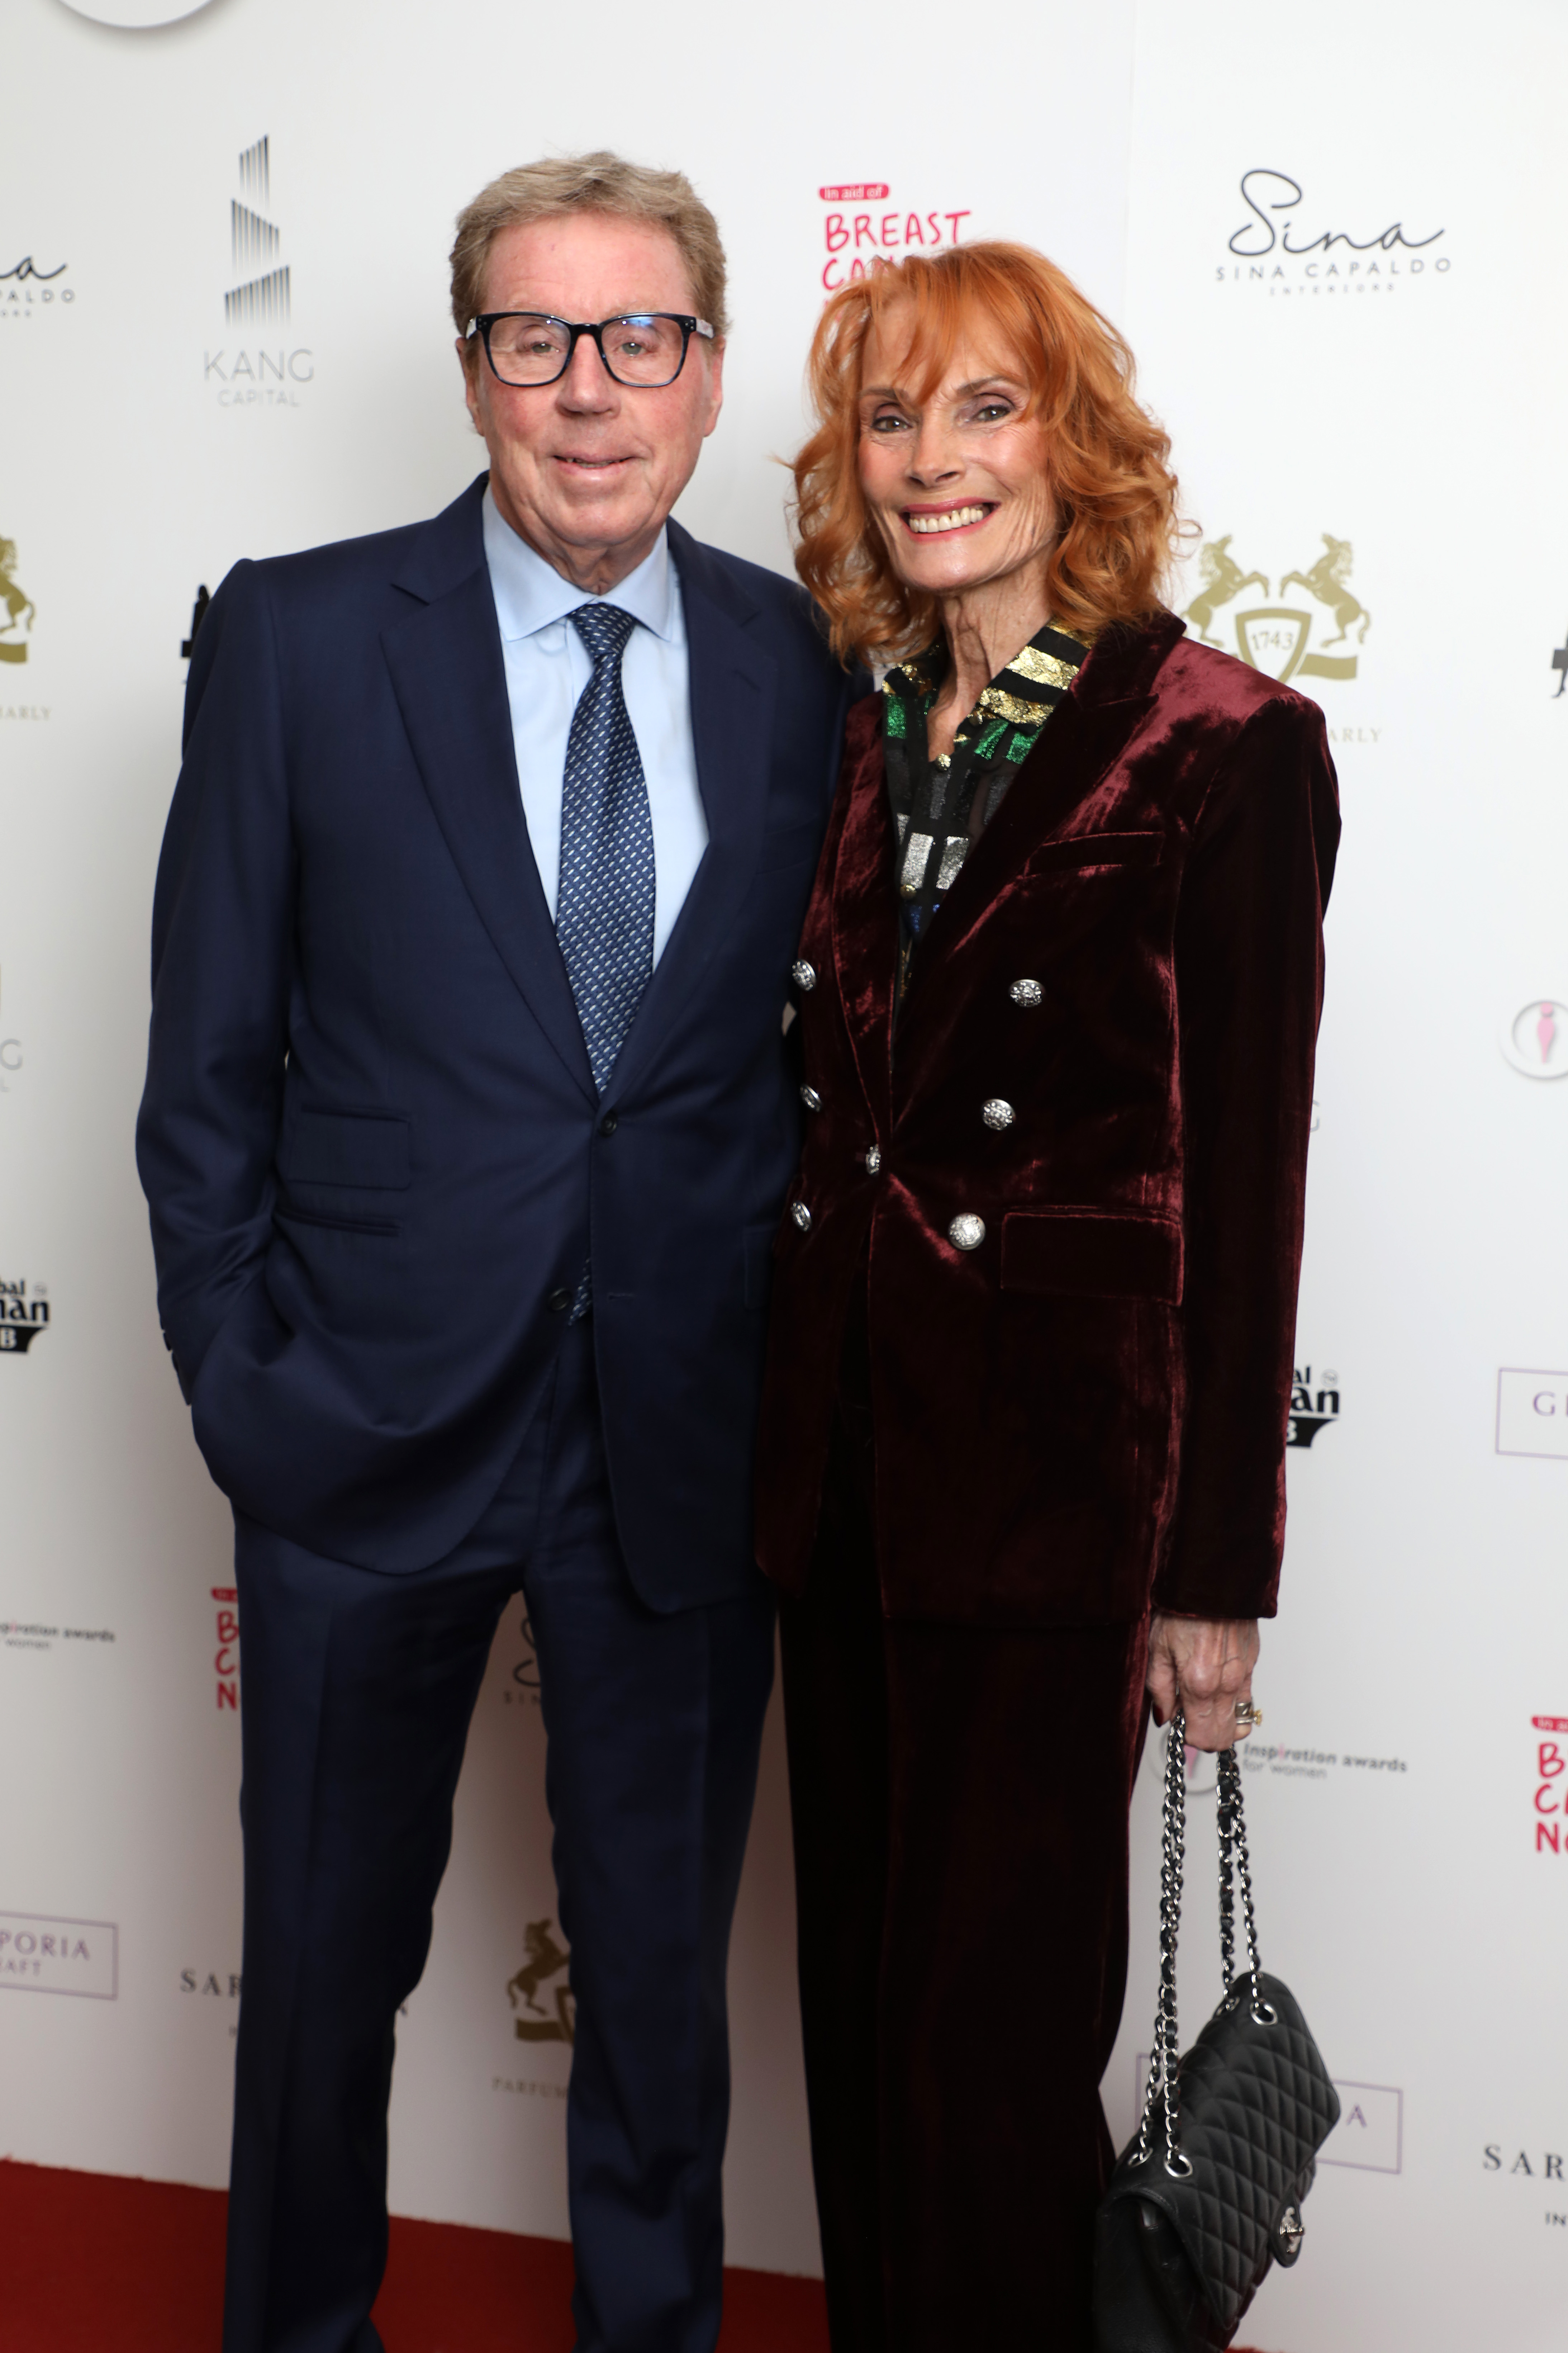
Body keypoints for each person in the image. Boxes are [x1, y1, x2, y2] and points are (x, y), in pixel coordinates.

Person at [137, 152, 858, 2353]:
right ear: (473, 371)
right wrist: (247, 1379)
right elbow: (204, 1064)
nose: (588, 391)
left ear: (708, 375)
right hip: (360, 1421)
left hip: (678, 1430)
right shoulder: (296, 637)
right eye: (534, 338)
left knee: (655, 1985)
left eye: (639, 337)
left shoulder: (798, 659)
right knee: (319, 1973)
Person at [753, 241, 1340, 2353]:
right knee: (854, 2042)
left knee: (987, 2073)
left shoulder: (1222, 742)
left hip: (1050, 1506)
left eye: (985, 408)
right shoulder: (849, 731)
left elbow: (1247, 1191)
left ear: (1072, 443)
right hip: (836, 1490)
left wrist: (1214, 1577)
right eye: (891, 415)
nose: (933, 459)